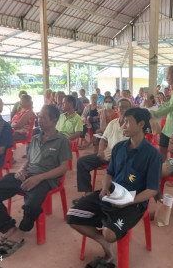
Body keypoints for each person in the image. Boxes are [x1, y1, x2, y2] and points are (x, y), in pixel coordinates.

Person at [67, 107, 162, 267]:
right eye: (123, 122)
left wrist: (130, 201)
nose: (123, 125)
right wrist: (104, 188)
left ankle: (107, 235)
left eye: (128, 122)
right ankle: (103, 240)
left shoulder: (153, 154)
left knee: (110, 234)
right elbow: (109, 174)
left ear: (141, 124)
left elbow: (152, 189)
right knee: (72, 217)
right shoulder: (119, 148)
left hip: (134, 202)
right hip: (111, 193)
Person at [0, 105, 71, 258]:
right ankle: (9, 228)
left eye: (43, 117)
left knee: (32, 203)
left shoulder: (62, 140)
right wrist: (22, 169)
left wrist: (39, 177)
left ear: (54, 120)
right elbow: (29, 160)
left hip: (46, 179)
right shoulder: (36, 137)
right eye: (39, 116)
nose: (39, 119)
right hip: (27, 175)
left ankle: (21, 231)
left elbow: (63, 168)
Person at [74, 98, 131, 201]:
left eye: (126, 107)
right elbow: (103, 139)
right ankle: (87, 194)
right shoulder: (113, 123)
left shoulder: (131, 125)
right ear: (117, 108)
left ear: (130, 109)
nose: (123, 109)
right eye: (121, 107)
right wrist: (100, 151)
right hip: (107, 154)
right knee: (82, 162)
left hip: (122, 159)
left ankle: (113, 195)